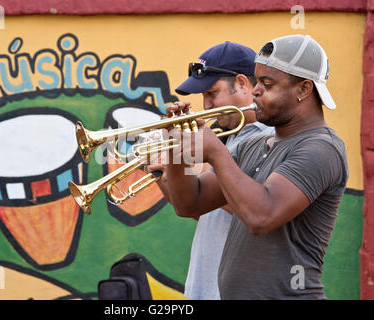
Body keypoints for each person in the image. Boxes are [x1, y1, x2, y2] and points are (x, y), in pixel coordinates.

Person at [160, 34, 348, 299]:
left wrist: (215, 151)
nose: (256, 90)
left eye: (267, 83)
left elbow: (262, 216)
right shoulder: (255, 144)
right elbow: (190, 203)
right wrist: (175, 147)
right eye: (257, 81)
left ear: (304, 90)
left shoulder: (321, 148)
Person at [147, 41, 273, 299]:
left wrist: (210, 161)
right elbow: (195, 210)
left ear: (241, 83)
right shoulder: (227, 135)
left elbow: (253, 210)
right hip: (203, 286)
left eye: (211, 93)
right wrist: (164, 172)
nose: (205, 106)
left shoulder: (269, 138)